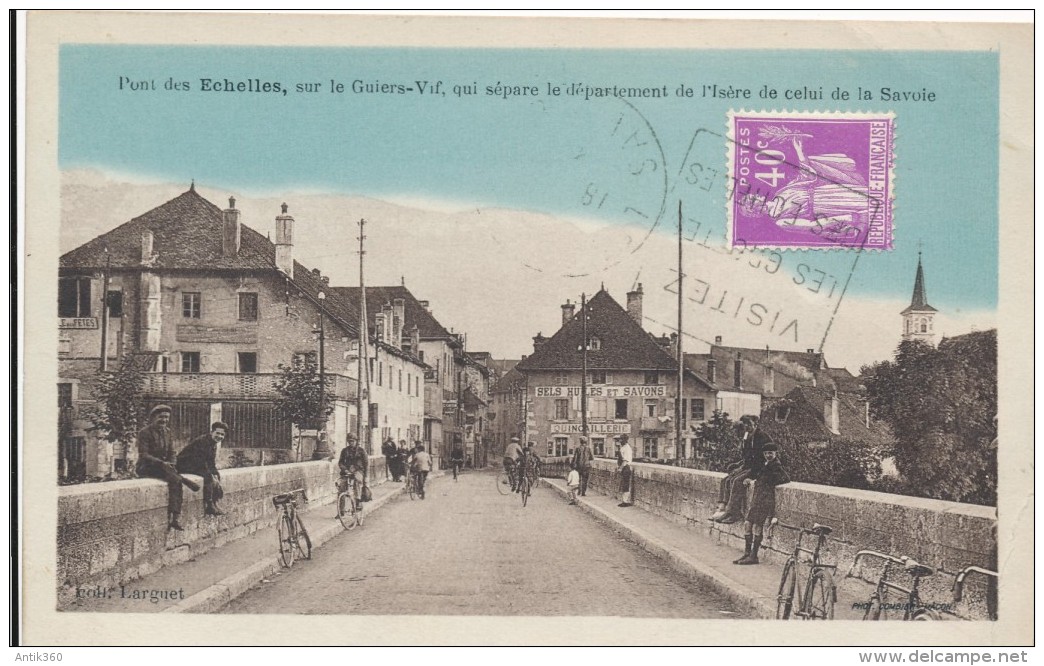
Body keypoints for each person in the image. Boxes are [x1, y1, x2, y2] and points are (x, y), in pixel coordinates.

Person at [136, 404, 197, 531]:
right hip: (147, 467)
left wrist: (172, 463)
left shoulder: (167, 432)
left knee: (175, 479)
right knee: (176, 480)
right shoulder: (144, 432)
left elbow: (172, 452)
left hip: (164, 467)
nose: (164, 420)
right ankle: (175, 517)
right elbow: (144, 454)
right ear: (153, 417)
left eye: (166, 417)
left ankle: (175, 517)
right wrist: (162, 463)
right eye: (161, 417)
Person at [734, 442, 790, 565]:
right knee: (747, 524)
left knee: (757, 526)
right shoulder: (766, 464)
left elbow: (785, 478)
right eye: (766, 453)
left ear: (775, 453)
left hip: (765, 499)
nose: (768, 455)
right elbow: (759, 477)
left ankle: (753, 556)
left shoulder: (776, 465)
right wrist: (751, 479)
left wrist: (770, 481)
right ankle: (747, 553)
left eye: (770, 453)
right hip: (757, 498)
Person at [712, 415, 771, 524]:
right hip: (750, 466)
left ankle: (733, 513)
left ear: (755, 424)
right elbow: (747, 457)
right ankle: (722, 508)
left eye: (750, 424)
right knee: (726, 479)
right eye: (745, 425)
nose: (747, 427)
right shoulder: (747, 436)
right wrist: (738, 466)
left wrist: (749, 473)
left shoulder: (762, 437)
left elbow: (761, 460)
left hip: (759, 469)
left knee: (737, 481)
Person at [176, 421, 228, 517]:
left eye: (222, 434)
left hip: (196, 464)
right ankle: (209, 505)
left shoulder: (213, 443)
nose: (220, 436)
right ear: (212, 432)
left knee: (216, 475)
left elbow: (211, 462)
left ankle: (214, 502)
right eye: (218, 433)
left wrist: (215, 474)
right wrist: (212, 476)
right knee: (208, 476)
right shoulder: (203, 441)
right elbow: (200, 461)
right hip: (185, 464)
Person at [338, 433, 368, 507]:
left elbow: (366, 464)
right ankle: (341, 511)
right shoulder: (344, 451)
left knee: (356, 482)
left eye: (352, 441)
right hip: (347, 472)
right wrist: (345, 470)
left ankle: (358, 502)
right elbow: (340, 462)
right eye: (349, 441)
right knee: (341, 487)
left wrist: (366, 476)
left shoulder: (361, 451)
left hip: (358, 471)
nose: (351, 443)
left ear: (356, 441)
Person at [615, 434, 634, 507]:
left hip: (626, 468)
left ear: (625, 440)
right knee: (623, 484)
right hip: (624, 468)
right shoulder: (623, 447)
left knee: (626, 484)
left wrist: (620, 468)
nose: (620, 441)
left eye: (621, 439)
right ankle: (624, 500)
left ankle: (625, 501)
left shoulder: (627, 448)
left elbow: (625, 460)